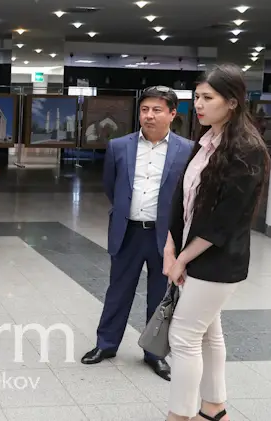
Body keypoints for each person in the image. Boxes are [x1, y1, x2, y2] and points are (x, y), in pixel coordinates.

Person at [164, 65, 270, 421]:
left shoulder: (247, 149)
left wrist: (183, 258)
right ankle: (214, 408)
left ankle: (180, 415)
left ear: (232, 102)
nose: (198, 104)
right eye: (197, 97)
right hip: (191, 252)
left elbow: (224, 220)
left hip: (218, 259)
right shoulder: (208, 140)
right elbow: (182, 199)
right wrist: (170, 248)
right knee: (208, 332)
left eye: (207, 98)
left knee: (184, 335)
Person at [82, 86, 194, 381]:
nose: (149, 115)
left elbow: (188, 194)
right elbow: (111, 187)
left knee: (160, 295)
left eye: (157, 110)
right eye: (145, 110)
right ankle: (106, 344)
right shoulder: (119, 146)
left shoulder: (187, 150)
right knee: (118, 291)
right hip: (128, 231)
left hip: (165, 237)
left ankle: (155, 354)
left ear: (172, 114)